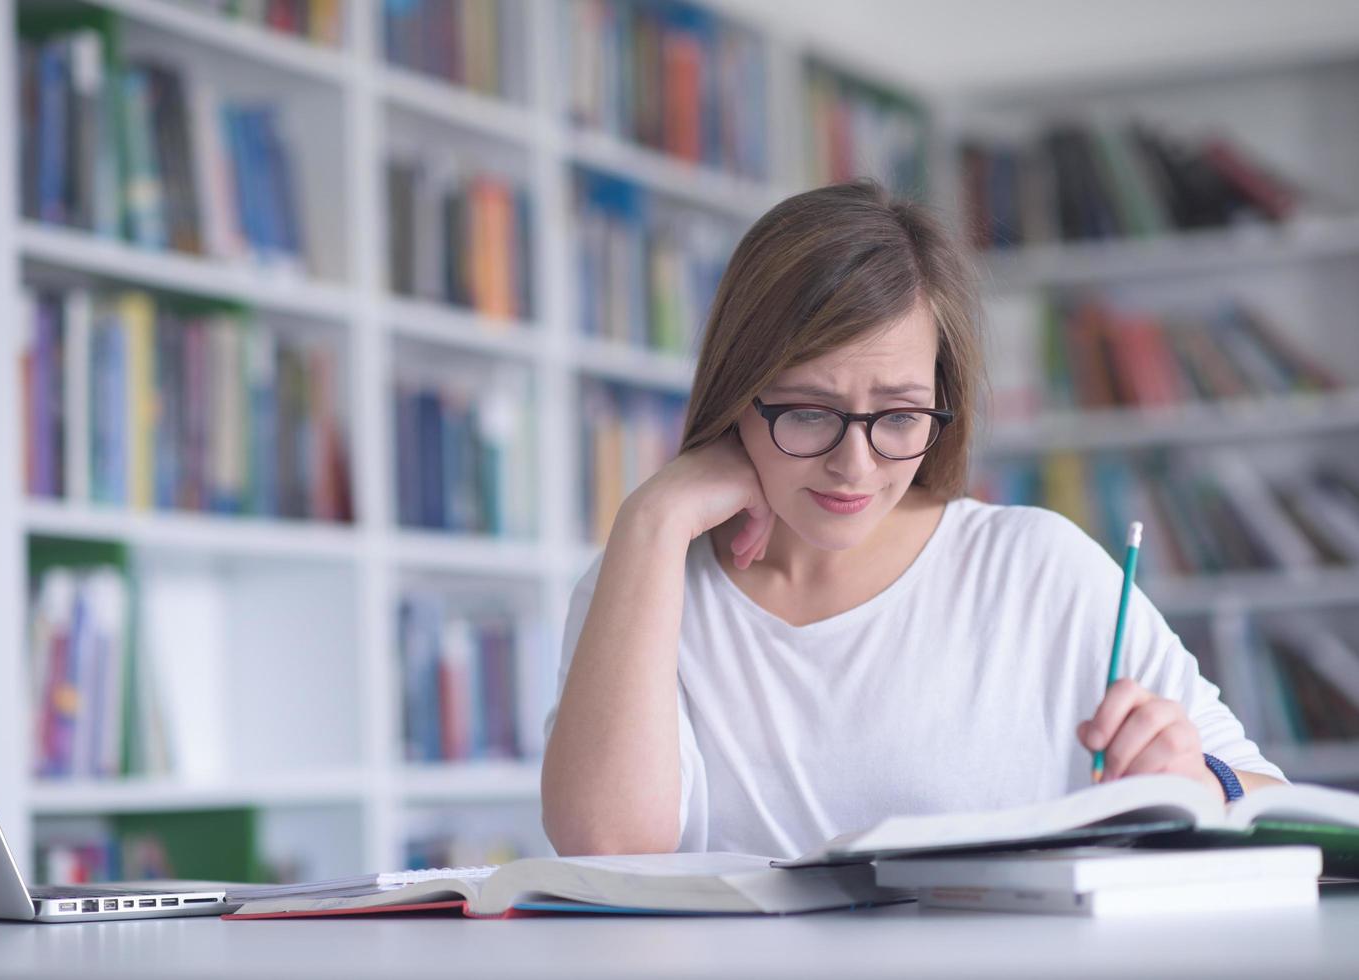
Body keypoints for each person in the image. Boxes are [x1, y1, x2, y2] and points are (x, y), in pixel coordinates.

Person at [539, 180, 1284, 859]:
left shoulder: (1036, 569)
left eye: (898, 415)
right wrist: (651, 518)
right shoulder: (645, 581)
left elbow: (1282, 809)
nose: (854, 466)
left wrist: (1201, 782)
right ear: (738, 394)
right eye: (806, 412)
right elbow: (609, 850)